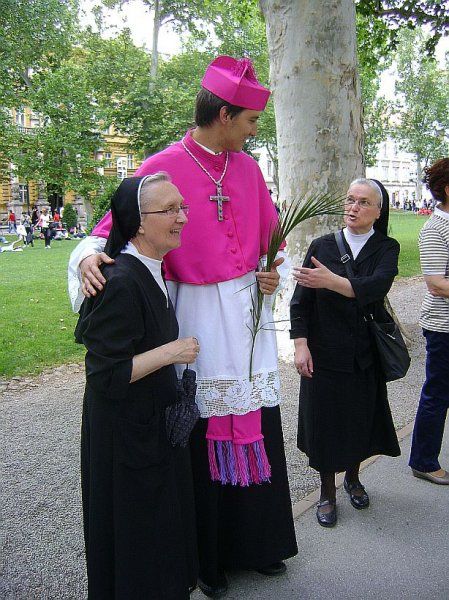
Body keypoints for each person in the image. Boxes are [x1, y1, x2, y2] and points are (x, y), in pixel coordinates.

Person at [69, 55, 297, 597]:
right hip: (193, 313)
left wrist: (271, 273)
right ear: (222, 115)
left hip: (247, 318)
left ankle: (257, 543)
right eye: (248, 122)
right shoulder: (163, 167)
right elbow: (110, 236)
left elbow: (273, 246)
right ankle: (210, 556)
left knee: (255, 421)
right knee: (198, 432)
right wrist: (85, 259)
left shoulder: (247, 167)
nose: (252, 133)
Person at [76, 173, 199, 598]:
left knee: (156, 533)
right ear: (139, 223)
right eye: (170, 210)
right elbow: (106, 374)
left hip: (147, 428)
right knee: (135, 537)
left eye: (182, 206)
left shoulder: (149, 268)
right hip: (124, 436)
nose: (182, 217)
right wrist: (174, 352)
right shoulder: (122, 281)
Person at [290, 178, 401, 528]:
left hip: (363, 355)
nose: (353, 207)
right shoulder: (322, 245)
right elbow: (300, 302)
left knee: (358, 421)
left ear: (378, 211)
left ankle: (353, 478)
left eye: (364, 202)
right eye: (350, 200)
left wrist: (333, 282)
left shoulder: (386, 247)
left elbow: (375, 287)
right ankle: (326, 492)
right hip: (324, 354)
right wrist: (301, 345)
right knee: (324, 425)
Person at [409, 158, 449, 485]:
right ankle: (423, 459)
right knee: (438, 393)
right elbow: (436, 282)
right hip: (443, 326)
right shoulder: (435, 228)